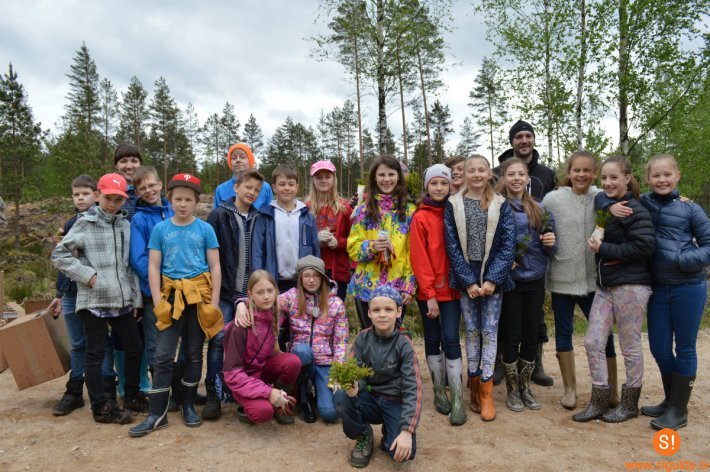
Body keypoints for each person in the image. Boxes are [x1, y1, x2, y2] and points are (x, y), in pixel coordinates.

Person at [129, 174, 223, 437]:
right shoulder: (161, 230)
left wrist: (214, 302)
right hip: (171, 297)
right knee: (162, 354)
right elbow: (153, 266)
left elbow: (215, 266)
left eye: (188, 200)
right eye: (178, 199)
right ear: (170, 199)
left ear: (196, 201)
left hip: (198, 297)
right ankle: (156, 414)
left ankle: (188, 406)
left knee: (193, 353)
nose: (183, 204)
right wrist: (158, 299)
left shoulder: (205, 229)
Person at [51, 173, 144, 425]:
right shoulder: (85, 223)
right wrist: (87, 275)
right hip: (93, 301)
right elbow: (59, 255)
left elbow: (129, 266)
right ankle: (101, 407)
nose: (112, 204)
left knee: (135, 346)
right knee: (95, 353)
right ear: (97, 196)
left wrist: (135, 299)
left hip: (122, 300)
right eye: (108, 198)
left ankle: (132, 395)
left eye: (118, 199)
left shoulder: (125, 225)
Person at [572, 156, 655, 423]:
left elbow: (644, 247)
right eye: (604, 178)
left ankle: (629, 404)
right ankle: (599, 400)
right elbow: (599, 198)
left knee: (630, 345)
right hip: (606, 286)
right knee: (593, 342)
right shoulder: (606, 207)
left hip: (631, 286)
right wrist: (608, 207)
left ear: (627, 178)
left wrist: (603, 249)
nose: (607, 183)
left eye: (614, 177)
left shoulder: (635, 210)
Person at [542, 151, 626, 410]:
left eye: (587, 170)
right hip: (562, 278)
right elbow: (540, 225)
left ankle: (611, 389)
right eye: (576, 170)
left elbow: (631, 199)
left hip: (594, 281)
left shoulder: (601, 197)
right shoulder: (553, 199)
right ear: (568, 172)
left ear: (595, 173)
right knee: (564, 332)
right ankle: (570, 389)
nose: (581, 175)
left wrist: (679, 199)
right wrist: (546, 242)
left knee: (604, 334)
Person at [638, 155, 710, 430]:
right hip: (658, 288)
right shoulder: (642, 204)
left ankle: (678, 411)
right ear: (648, 179)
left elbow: (708, 245)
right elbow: (611, 200)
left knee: (685, 347)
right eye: (656, 175)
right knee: (659, 347)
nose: (662, 180)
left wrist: (682, 260)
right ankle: (671, 400)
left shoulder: (691, 209)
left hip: (689, 287)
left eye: (667, 174)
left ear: (677, 175)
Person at [444, 155, 516, 422]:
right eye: (471, 170)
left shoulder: (500, 203)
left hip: (493, 276)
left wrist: (492, 279)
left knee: (490, 331)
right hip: (466, 275)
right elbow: (452, 244)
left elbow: (508, 243)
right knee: (472, 332)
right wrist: (468, 281)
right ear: (464, 174)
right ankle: (473, 387)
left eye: (481, 170)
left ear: (489, 174)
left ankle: (486, 393)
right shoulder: (454, 204)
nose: (476, 174)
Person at [494, 120, 557, 387]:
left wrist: (550, 241)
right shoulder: (496, 180)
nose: (523, 140)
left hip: (535, 269)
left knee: (534, 322)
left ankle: (533, 366)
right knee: (507, 322)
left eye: (528, 136)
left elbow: (551, 216)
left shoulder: (546, 176)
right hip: (508, 274)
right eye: (518, 136)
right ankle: (502, 366)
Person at [333, 285, 422, 468]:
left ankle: (390, 430)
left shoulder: (404, 344)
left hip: (394, 400)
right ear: (369, 313)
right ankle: (363, 435)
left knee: (403, 453)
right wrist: (355, 384)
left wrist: (407, 430)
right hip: (369, 398)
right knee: (341, 395)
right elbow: (355, 371)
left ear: (398, 312)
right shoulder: (361, 339)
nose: (382, 315)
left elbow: (413, 389)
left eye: (388, 309)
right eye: (376, 310)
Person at [48, 175, 115, 416]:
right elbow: (63, 262)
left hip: (95, 293)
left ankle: (107, 389)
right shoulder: (70, 224)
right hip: (71, 293)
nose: (80, 198)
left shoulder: (104, 221)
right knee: (78, 343)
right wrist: (59, 294)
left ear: (96, 195)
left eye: (85, 194)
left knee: (101, 343)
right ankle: (75, 391)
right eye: (76, 195)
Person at [203, 169, 265, 419]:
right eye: (248, 187)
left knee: (247, 343)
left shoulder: (259, 217)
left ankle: (239, 390)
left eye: (257, 190)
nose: (252, 192)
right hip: (226, 291)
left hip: (252, 293)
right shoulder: (219, 215)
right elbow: (209, 253)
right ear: (236, 187)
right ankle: (213, 393)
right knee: (218, 340)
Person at [410, 164, 465, 425]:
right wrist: (429, 293)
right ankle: (439, 392)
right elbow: (419, 258)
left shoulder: (456, 212)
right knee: (432, 338)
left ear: (451, 185)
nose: (439, 188)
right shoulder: (420, 217)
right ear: (427, 186)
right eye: (434, 183)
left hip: (453, 291)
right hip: (429, 293)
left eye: (444, 183)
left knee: (451, 338)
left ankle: (457, 397)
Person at [347, 155, 417, 330]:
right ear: (374, 178)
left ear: (398, 177)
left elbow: (414, 252)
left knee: (393, 337)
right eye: (382, 175)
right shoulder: (363, 210)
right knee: (369, 335)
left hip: (397, 285)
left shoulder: (410, 211)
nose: (387, 179)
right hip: (366, 287)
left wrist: (409, 285)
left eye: (391, 174)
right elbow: (352, 248)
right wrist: (372, 247)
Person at [276, 256, 348, 423]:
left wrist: (338, 371)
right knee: (302, 351)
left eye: (315, 276)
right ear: (300, 278)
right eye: (306, 275)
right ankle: (304, 395)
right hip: (301, 359)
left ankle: (319, 395)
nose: (311, 280)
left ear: (323, 278)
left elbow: (341, 341)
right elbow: (266, 302)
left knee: (330, 414)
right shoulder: (291, 297)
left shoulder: (336, 303)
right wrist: (241, 304)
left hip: (325, 363)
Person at [223, 270, 301, 425]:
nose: (266, 297)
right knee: (263, 412)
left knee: (293, 362)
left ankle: (280, 404)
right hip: (242, 380)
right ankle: (252, 404)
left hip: (262, 372)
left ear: (276, 292)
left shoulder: (275, 312)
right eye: (260, 292)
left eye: (270, 291)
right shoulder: (239, 326)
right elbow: (232, 375)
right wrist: (268, 392)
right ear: (250, 295)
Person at [129, 166, 173, 403]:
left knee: (177, 341)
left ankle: (178, 389)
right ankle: (160, 392)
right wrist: (162, 279)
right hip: (153, 292)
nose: (148, 190)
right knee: (156, 344)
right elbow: (138, 259)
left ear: (160, 184)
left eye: (151, 185)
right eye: (142, 188)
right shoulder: (139, 218)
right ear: (136, 192)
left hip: (181, 290)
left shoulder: (173, 210)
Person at [252, 165, 319, 293]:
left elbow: (315, 250)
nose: (287, 188)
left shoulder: (307, 217)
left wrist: (315, 277)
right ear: (274, 188)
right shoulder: (265, 216)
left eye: (291, 184)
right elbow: (257, 251)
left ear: (297, 187)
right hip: (272, 282)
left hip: (301, 282)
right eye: (282, 184)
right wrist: (259, 279)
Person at [304, 161, 353, 302]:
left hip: (337, 271)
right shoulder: (305, 208)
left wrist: (337, 243)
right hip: (312, 270)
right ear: (313, 180)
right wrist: (315, 240)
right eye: (319, 177)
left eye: (327, 176)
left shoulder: (344, 208)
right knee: (312, 310)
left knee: (335, 310)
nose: (323, 180)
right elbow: (299, 239)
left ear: (334, 179)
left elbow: (354, 240)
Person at [213, 142, 273, 209]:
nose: (238, 160)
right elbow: (215, 214)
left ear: (250, 160)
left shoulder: (265, 187)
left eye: (242, 157)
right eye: (234, 158)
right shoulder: (220, 190)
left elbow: (270, 213)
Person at [114, 143, 143, 221]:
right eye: (124, 161)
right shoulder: (107, 193)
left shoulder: (152, 192)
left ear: (140, 164)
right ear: (116, 165)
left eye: (134, 161)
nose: (129, 166)